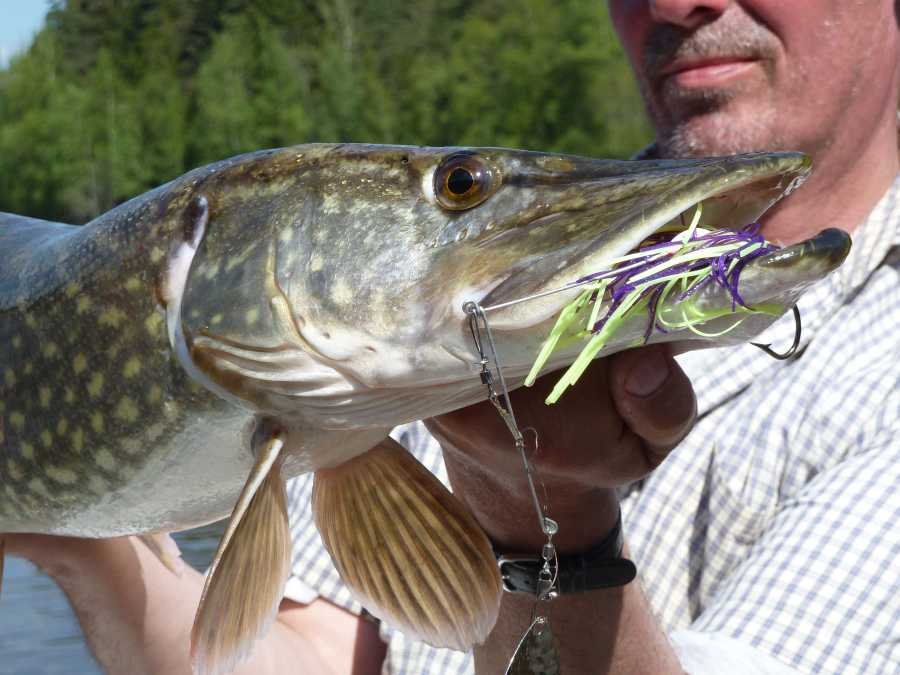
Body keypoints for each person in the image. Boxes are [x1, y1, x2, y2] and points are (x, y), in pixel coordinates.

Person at [6, 0, 900, 673]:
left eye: (459, 188)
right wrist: (85, 546)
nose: (671, 2)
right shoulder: (395, 356)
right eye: (462, 189)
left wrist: (550, 522)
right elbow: (313, 654)